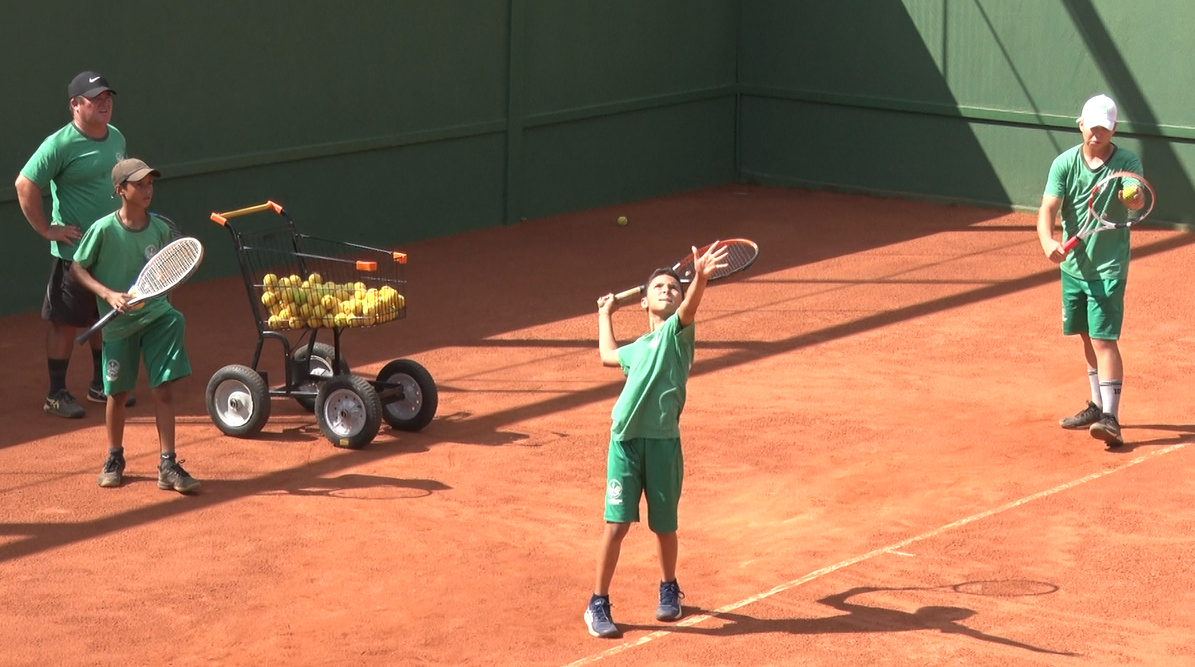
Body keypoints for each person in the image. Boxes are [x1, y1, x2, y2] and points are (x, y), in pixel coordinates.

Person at [583, 242, 729, 638]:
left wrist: (699, 277)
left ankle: (669, 587)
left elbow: (691, 305)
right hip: (625, 444)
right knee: (616, 526)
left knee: (664, 527)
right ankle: (598, 602)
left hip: (663, 443)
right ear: (644, 301)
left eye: (673, 287)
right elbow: (608, 355)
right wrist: (603, 315)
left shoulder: (677, 335)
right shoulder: (637, 349)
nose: (667, 290)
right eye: (659, 287)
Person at [69, 158, 200, 493]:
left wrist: (150, 296)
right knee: (117, 393)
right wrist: (108, 294)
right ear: (120, 190)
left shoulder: (160, 229)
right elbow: (77, 269)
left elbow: (166, 273)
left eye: (150, 184)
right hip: (118, 326)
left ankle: (167, 464)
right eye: (139, 184)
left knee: (163, 389)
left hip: (158, 317)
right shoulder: (102, 230)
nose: (147, 190)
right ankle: (114, 457)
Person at [15, 70, 137, 418]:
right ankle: (56, 393)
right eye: (95, 98)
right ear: (75, 105)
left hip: (109, 247)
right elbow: (25, 184)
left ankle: (101, 384)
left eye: (107, 97)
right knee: (65, 323)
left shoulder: (116, 138)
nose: (104, 103)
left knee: (106, 315)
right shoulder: (60, 144)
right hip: (73, 253)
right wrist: (47, 229)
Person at [1037, 94, 1143, 448]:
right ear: (1080, 124)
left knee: (1103, 339)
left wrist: (1132, 198)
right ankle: (1097, 405)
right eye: (1091, 126)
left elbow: (1135, 195)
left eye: (1104, 128)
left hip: (1108, 269)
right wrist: (1047, 241)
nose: (1096, 134)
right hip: (1073, 268)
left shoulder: (1127, 162)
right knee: (1085, 335)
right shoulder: (1064, 164)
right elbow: (1048, 208)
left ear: (1113, 129)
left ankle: (1111, 418)